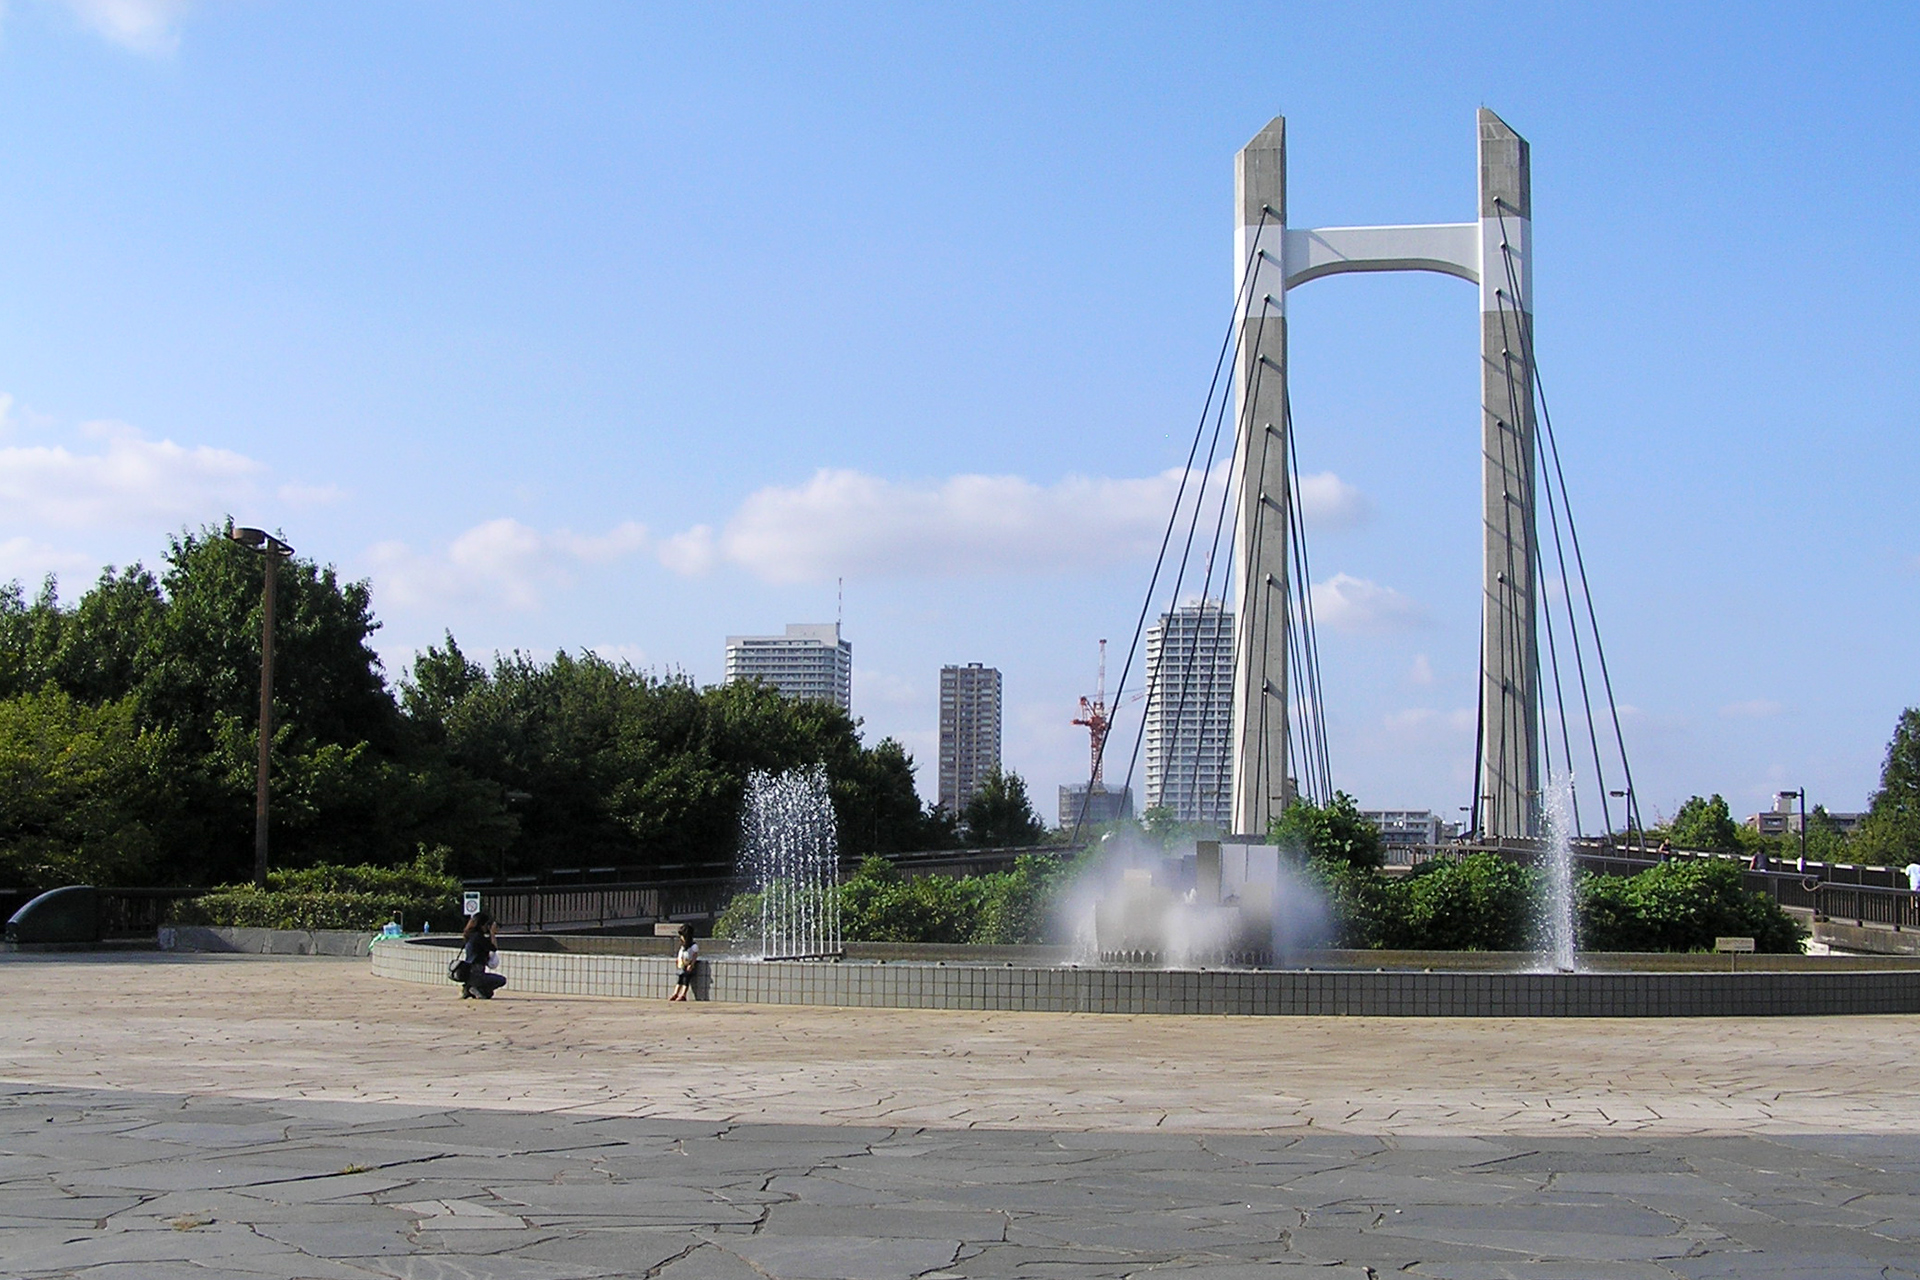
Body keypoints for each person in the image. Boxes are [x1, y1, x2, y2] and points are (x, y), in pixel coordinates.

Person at [459, 911, 506, 1000]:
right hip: (476, 973)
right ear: (482, 925)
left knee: (488, 994)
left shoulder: (470, 936)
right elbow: (494, 948)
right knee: (501, 980)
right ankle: (474, 988)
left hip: (468, 972)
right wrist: (492, 933)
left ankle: (469, 987)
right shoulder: (478, 937)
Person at [668, 925, 698, 1001]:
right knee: (680, 979)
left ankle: (683, 995)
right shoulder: (683, 946)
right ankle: (675, 993)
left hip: (688, 965)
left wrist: (691, 964)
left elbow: (694, 956)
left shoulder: (693, 946)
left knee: (686, 980)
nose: (681, 938)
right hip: (681, 964)